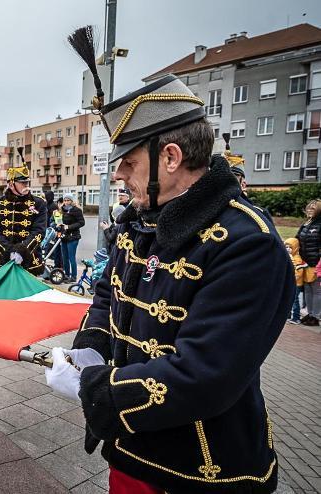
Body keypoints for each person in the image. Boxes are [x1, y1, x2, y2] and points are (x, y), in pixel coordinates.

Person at [46, 45, 293, 493]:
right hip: (129, 446)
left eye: (130, 162)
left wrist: (98, 388)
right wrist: (92, 346)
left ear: (172, 157)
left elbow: (206, 374)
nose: (119, 174)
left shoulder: (249, 243)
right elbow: (108, 292)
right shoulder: (141, 220)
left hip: (200, 467)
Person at [0, 148, 47, 274]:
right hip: (2, 260)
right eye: (23, 182)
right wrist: (8, 251)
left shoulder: (39, 203)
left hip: (30, 261)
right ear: (11, 184)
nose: (27, 185)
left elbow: (39, 232)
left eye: (27, 182)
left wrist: (22, 251)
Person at [296, 199, 321, 326]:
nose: (310, 209)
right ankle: (310, 314)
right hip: (305, 263)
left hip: (316, 264)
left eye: (313, 208)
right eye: (309, 207)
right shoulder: (306, 224)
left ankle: (316, 316)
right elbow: (297, 239)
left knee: (316, 290)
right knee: (307, 289)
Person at [284, 237, 312, 325]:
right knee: (289, 299)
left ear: (295, 248)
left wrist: (293, 277)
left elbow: (299, 271)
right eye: (286, 247)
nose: (288, 249)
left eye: (290, 247)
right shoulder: (290, 256)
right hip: (291, 282)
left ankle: (296, 318)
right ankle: (289, 315)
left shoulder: (297, 258)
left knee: (295, 300)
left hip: (297, 283)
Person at [58, 193, 85, 282]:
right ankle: (66, 275)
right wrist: (59, 225)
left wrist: (69, 227)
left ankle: (73, 277)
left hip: (73, 237)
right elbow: (60, 221)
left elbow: (81, 223)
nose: (66, 202)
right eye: (65, 200)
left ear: (72, 201)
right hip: (64, 236)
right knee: (64, 257)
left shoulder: (76, 210)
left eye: (68, 200)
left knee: (71, 257)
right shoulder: (62, 209)